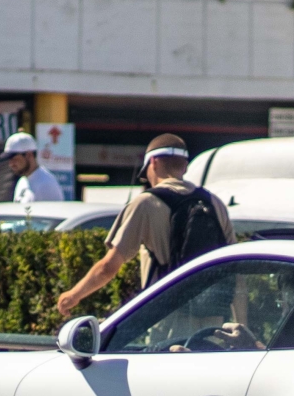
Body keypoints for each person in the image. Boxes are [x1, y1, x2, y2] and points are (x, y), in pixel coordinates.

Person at [57, 134, 232, 317]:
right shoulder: (214, 203)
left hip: (165, 322)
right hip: (212, 322)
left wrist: (73, 295)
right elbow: (233, 267)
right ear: (185, 165)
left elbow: (108, 267)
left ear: (153, 163)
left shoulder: (145, 203)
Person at [3, 130, 64, 203]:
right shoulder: (23, 180)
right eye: (9, 160)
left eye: (15, 159)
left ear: (29, 155)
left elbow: (54, 213)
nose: (11, 164)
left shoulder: (46, 184)